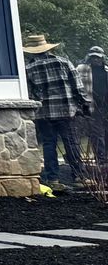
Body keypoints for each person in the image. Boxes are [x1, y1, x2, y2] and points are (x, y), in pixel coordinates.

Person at [23, 34, 85, 187]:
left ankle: (53, 179)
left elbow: (30, 94)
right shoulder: (64, 62)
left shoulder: (28, 69)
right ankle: (79, 177)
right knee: (71, 143)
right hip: (67, 111)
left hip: (44, 113)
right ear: (47, 48)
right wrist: (83, 104)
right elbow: (78, 87)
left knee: (49, 144)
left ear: (31, 51)